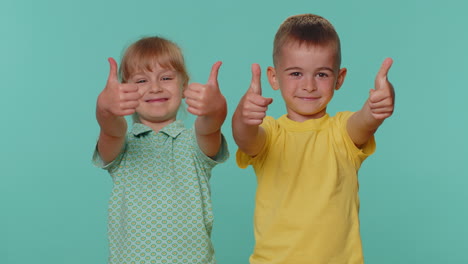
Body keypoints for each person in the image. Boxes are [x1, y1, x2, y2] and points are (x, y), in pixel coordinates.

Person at [232, 14, 395, 263]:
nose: (309, 85)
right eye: (296, 73)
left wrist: (377, 107)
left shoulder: (342, 131)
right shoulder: (270, 133)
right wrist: (245, 114)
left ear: (339, 79)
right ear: (274, 77)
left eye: (321, 75)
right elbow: (245, 138)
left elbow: (365, 121)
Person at [92, 36, 229, 264]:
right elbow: (111, 129)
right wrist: (105, 110)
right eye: (141, 81)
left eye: (166, 78)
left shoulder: (195, 143)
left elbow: (210, 126)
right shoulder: (122, 147)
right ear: (125, 89)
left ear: (183, 85)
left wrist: (216, 110)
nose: (155, 87)